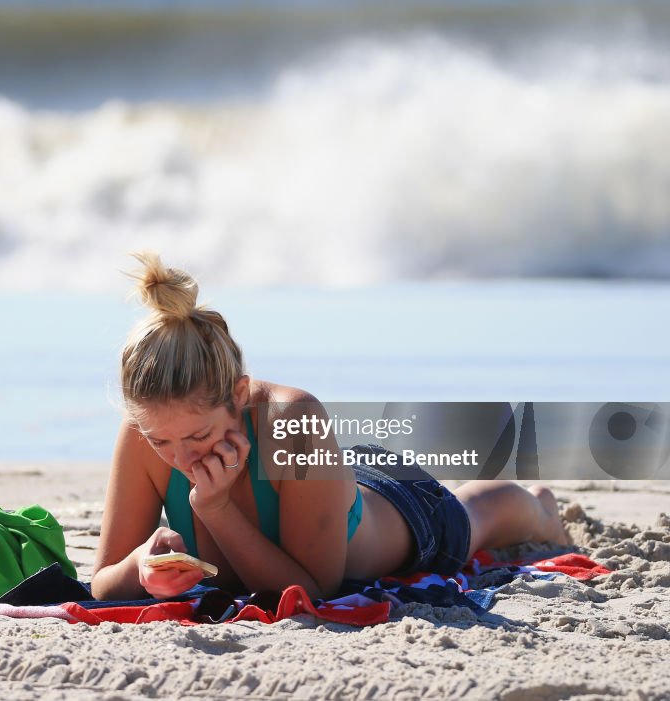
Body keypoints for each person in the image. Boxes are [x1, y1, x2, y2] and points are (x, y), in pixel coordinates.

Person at [90, 253, 570, 601]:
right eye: (162, 441)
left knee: (477, 515)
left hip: (402, 509)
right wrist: (140, 570)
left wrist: (215, 509)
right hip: (328, 478)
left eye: (198, 436)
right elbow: (102, 580)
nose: (181, 458)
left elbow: (315, 590)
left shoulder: (293, 419)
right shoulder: (142, 433)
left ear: (238, 396)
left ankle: (541, 508)